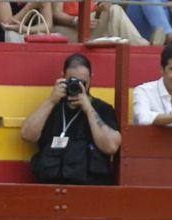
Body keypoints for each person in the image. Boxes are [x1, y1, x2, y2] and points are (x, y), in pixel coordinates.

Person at [23, 52, 122, 183]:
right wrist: (51, 101)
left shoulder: (102, 108)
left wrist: (88, 109)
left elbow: (111, 146)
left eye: (83, 82)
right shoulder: (51, 107)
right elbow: (27, 136)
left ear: (91, 78)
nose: (77, 86)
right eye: (72, 81)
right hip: (50, 186)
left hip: (90, 189)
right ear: (63, 77)